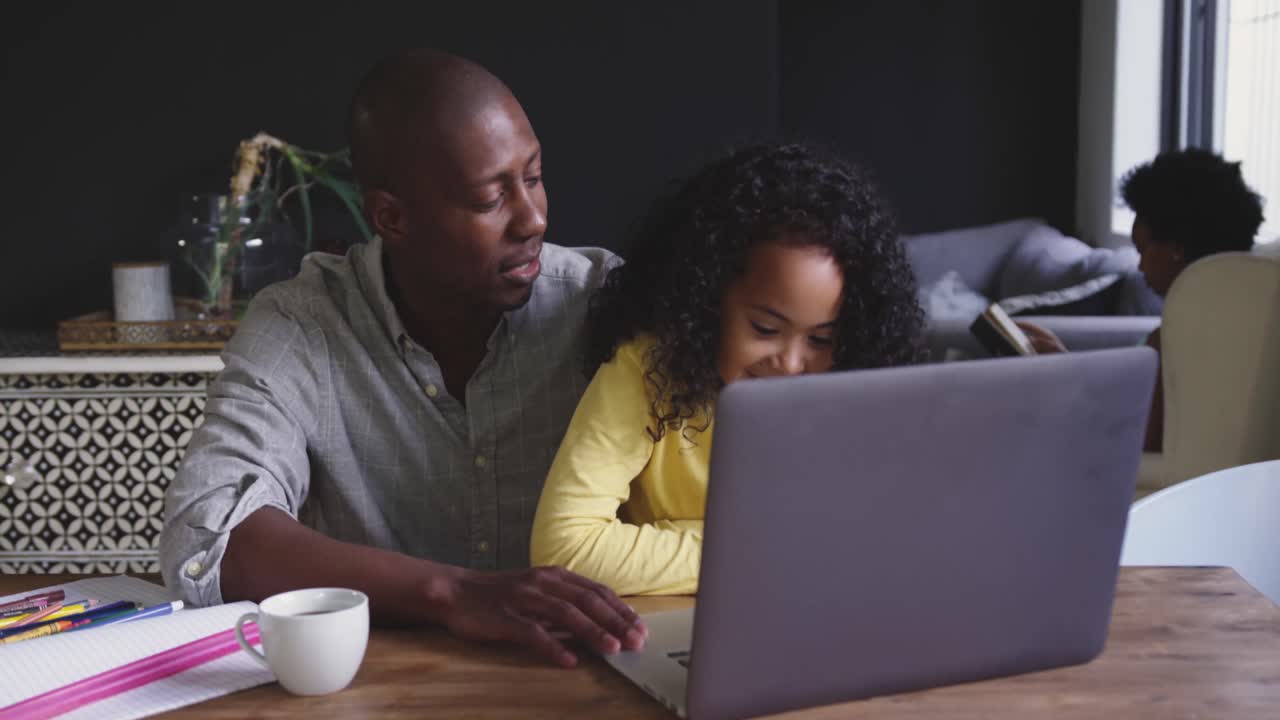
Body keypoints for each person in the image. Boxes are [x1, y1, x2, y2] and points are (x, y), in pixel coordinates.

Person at [159, 49, 647, 669]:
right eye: (489, 198)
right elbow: (207, 539)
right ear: (392, 217)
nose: (534, 218)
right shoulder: (301, 324)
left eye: (533, 176)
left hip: (590, 679)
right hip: (374, 691)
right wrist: (454, 594)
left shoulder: (606, 304)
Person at [529, 143, 926, 595]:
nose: (791, 364)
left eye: (821, 339)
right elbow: (564, 548)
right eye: (765, 328)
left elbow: (875, 545)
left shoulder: (852, 389)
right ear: (707, 300)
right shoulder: (647, 368)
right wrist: (770, 553)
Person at [1019, 148, 1265, 452]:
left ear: (1176, 248)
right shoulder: (1254, 322)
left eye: (1142, 249)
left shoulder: (1177, 337)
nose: (1140, 266)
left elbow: (1135, 436)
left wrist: (1064, 382)